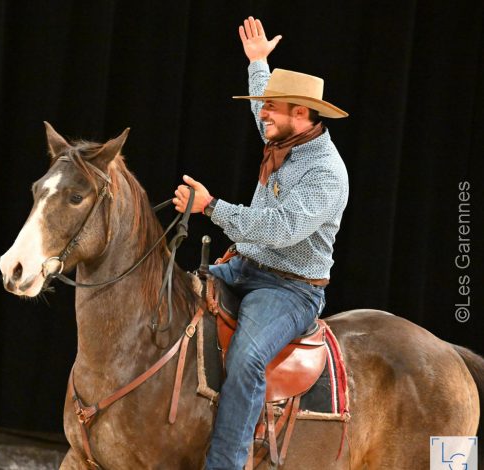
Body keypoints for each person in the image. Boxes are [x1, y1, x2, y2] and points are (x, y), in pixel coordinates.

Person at [172, 16, 349, 470]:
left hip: (289, 290)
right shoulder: (286, 136)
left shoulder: (327, 173)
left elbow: (280, 228)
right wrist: (259, 64)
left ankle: (226, 464)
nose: (262, 113)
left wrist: (211, 208)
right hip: (245, 266)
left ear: (302, 114)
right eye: (264, 106)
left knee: (248, 359)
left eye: (273, 107)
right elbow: (262, 112)